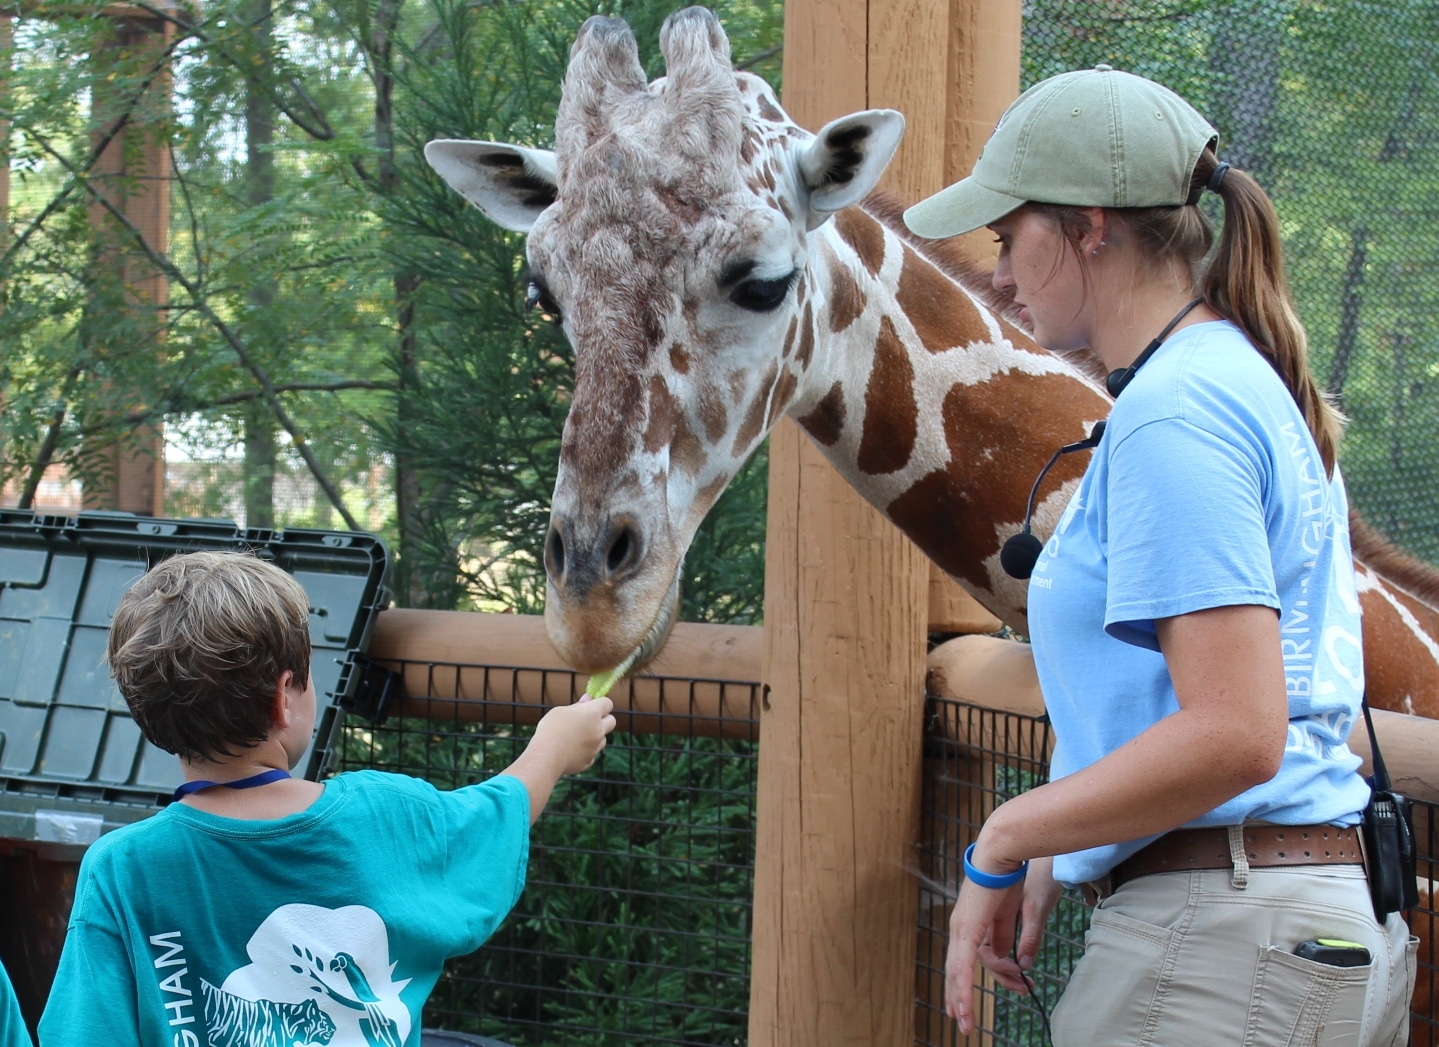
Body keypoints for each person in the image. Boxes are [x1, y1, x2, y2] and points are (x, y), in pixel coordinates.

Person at [904, 66, 1416, 1046]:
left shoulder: (1176, 413)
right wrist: (1065, 844)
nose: (999, 275)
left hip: (1220, 951)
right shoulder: (1231, 381)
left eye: (1009, 239)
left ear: (1087, 226)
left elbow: (1235, 731)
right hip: (1278, 930)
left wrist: (1009, 836)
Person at [38, 550, 615, 1047]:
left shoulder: (123, 868)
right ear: (285, 697)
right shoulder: (383, 814)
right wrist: (555, 748)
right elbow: (491, 819)